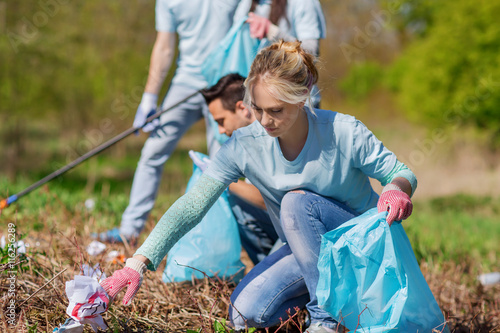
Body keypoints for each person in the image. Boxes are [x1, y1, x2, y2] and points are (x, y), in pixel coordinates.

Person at [100, 41, 417, 333]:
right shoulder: (244, 145)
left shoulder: (343, 131)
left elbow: (402, 173)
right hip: (310, 255)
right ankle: (342, 308)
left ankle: (326, 318)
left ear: (303, 94)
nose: (265, 121)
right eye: (257, 109)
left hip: (361, 249)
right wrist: (138, 263)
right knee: (244, 313)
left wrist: (396, 188)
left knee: (296, 203)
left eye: (276, 110)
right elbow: (193, 204)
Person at [94, 0, 241, 243]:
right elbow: (164, 46)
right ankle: (128, 230)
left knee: (221, 163)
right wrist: (149, 98)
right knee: (152, 151)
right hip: (185, 83)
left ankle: (222, 239)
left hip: (226, 83)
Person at [200, 73, 279, 264]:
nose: (220, 130)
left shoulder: (271, 135)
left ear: (242, 108)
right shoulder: (246, 141)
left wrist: (223, 180)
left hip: (303, 228)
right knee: (236, 201)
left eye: (221, 121)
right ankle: (268, 266)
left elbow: (268, 198)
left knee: (237, 199)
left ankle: (270, 268)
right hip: (283, 223)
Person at [234, 0, 326, 107]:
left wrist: (272, 32)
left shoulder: (303, 3)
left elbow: (311, 52)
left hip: (296, 102)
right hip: (256, 101)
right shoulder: (245, 4)